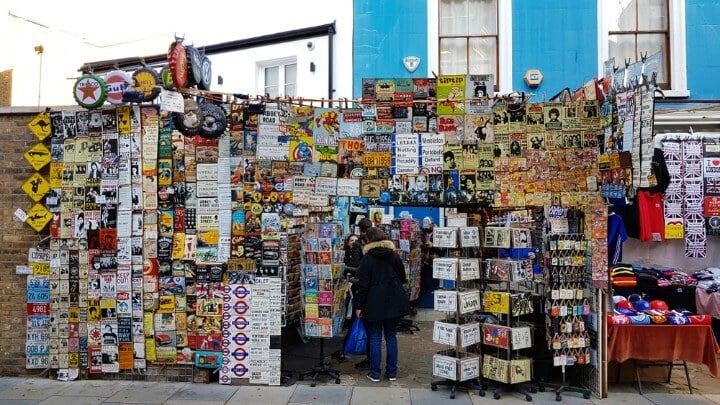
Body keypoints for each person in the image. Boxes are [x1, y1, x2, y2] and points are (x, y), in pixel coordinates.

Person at [355, 227, 411, 382]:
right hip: (393, 300)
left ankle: (375, 373)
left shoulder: (367, 258)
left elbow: (363, 285)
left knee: (375, 337)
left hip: (374, 302)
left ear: (369, 241)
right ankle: (392, 373)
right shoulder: (393, 255)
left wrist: (359, 306)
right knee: (391, 336)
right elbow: (402, 276)